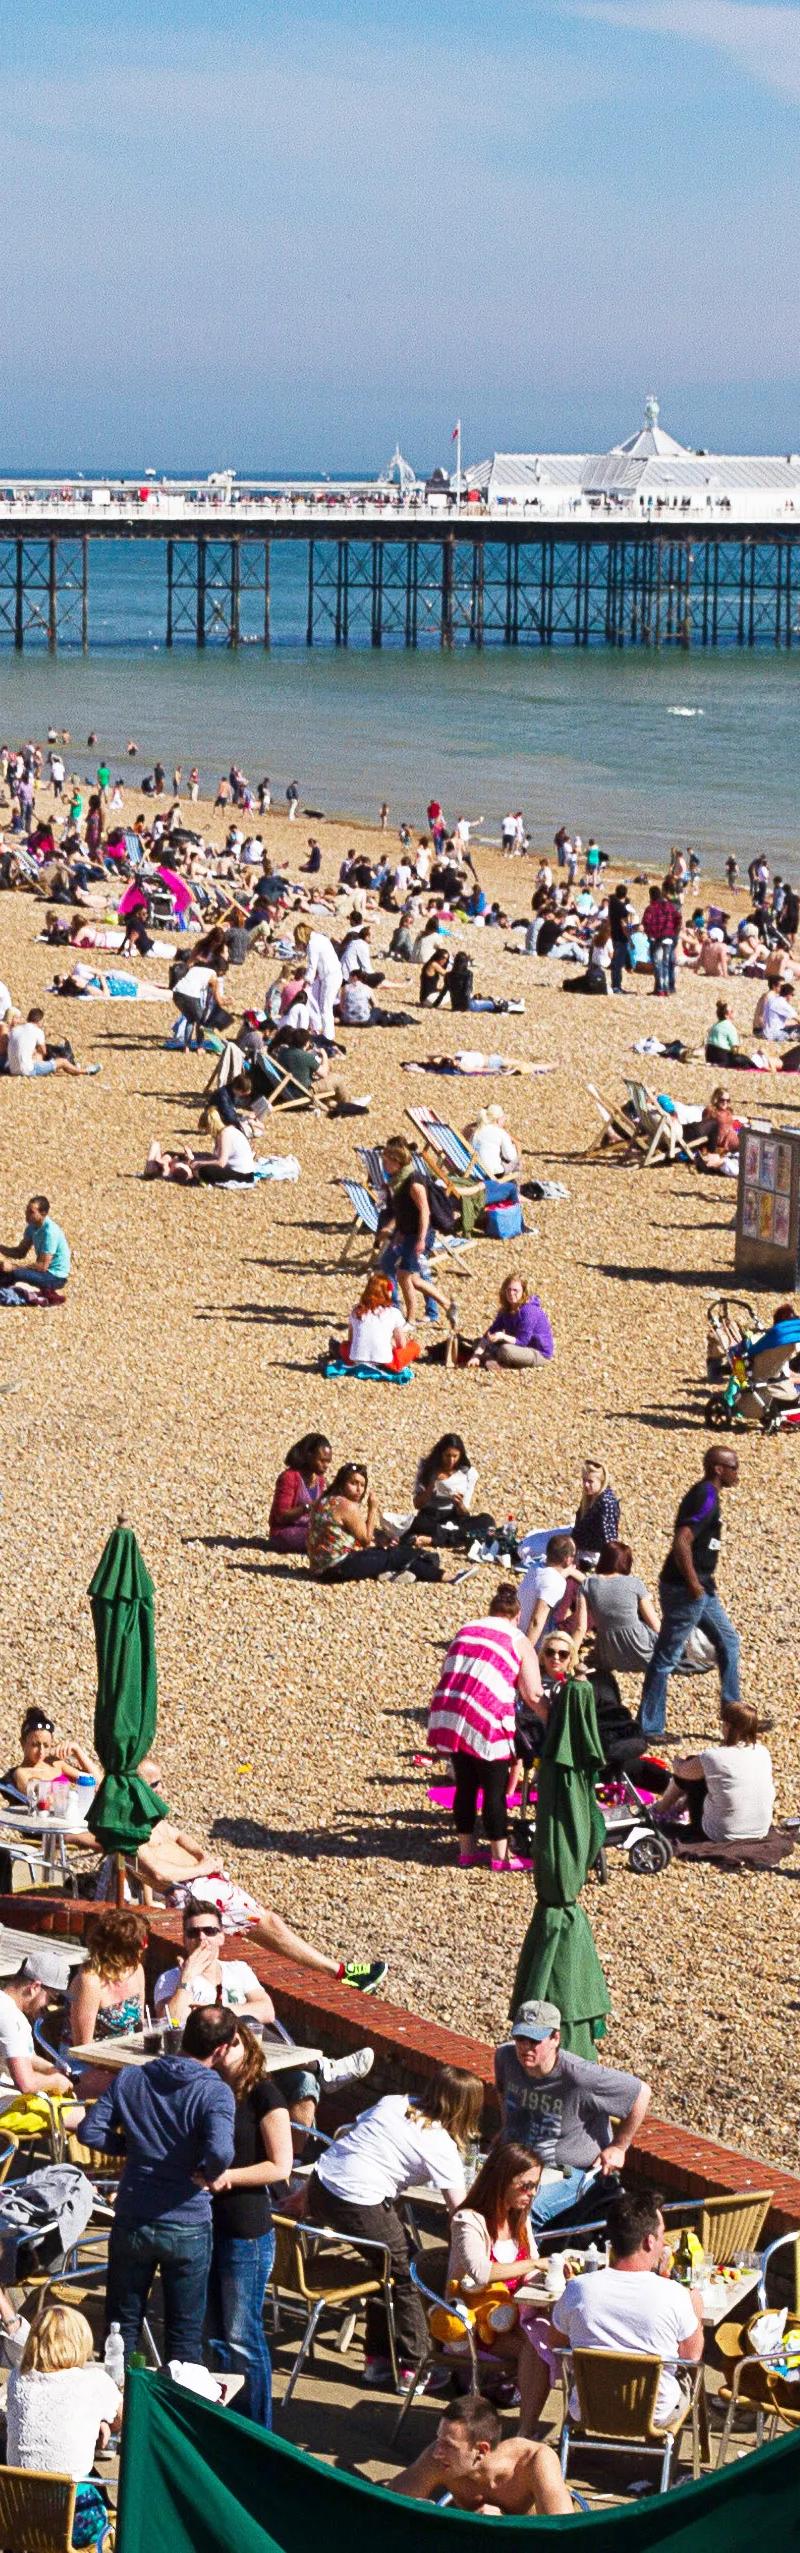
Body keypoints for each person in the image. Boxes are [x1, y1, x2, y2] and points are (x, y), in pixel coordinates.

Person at [305, 2066, 483, 2386]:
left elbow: (350, 2134)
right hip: (357, 2201)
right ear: (467, 2109)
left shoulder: (393, 2102)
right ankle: (415, 2365)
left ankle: (379, 2358)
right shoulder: (439, 2142)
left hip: (321, 2183)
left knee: (384, 2266)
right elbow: (460, 2211)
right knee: (406, 2271)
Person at [83, 2003, 237, 2364]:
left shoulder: (132, 2078)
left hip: (134, 2214)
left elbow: (91, 2130)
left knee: (121, 2330)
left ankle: (120, 2410)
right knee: (183, 2337)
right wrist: (206, 2171)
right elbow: (221, 2151)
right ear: (221, 2049)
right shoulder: (215, 2093)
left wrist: (128, 2148)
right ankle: (171, 2413)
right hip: (187, 2223)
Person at [551, 2188, 703, 2428]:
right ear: (649, 2241)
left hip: (588, 2408)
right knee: (690, 2380)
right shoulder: (675, 2294)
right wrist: (695, 2308)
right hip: (654, 2414)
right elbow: (691, 2357)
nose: (665, 2243)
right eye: (662, 2235)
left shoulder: (579, 2289)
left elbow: (557, 2343)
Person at [495, 1999, 651, 2231]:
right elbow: (502, 2092)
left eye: (534, 2040)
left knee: (523, 2211)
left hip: (567, 2172)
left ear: (555, 2038)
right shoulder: (505, 2057)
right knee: (471, 2198)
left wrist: (619, 2146)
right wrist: (506, 2129)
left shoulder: (580, 2077)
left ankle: (519, 2265)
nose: (525, 2047)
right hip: (517, 2161)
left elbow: (641, 2093)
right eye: (520, 2039)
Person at [206, 2021, 293, 2426]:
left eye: (230, 2045)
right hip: (206, 2224)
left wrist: (229, 2177)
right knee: (214, 2336)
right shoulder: (210, 2087)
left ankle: (259, 2429)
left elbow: (281, 2166)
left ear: (245, 2044)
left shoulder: (265, 2094)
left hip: (246, 2230)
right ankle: (226, 2422)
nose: (223, 2053)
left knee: (243, 2336)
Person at [427, 1583, 543, 1870]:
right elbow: (532, 1694)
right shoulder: (517, 1638)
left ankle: (466, 1851)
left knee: (465, 1785)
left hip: (451, 1712)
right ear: (517, 1617)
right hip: (486, 1714)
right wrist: (550, 1717)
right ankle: (499, 1856)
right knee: (494, 1788)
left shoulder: (466, 1630)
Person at [444, 2141, 554, 2430]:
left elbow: (531, 2267)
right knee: (538, 2348)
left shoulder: (520, 2218)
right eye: (525, 2186)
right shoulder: (468, 2221)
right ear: (502, 2180)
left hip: (516, 2315)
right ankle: (526, 2430)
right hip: (477, 2323)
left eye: (535, 2187)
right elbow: (480, 2272)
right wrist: (533, 2266)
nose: (531, 2195)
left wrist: (549, 2278)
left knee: (559, 2337)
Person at [637, 1446, 741, 1741]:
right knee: (667, 1656)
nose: (737, 1472)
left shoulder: (708, 1495)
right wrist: (694, 1584)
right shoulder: (705, 1496)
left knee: (729, 1642)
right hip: (686, 1589)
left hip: (702, 1588)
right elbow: (682, 1541)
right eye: (733, 1467)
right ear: (718, 1469)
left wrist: (701, 1585)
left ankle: (735, 1717)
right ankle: (650, 1727)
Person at [7, 2305, 121, 2527]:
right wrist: (102, 2422)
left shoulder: (17, 2379)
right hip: (73, 2518)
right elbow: (122, 2419)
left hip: (20, 2516)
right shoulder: (94, 2382)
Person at [391, 2393, 573, 2514]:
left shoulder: (534, 2460)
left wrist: (504, 2525)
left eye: (449, 2445)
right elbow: (388, 2504)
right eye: (439, 2439)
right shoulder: (439, 2457)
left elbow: (563, 2534)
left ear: (481, 2450)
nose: (438, 2452)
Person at [656, 1700, 775, 1844]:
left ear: (728, 1726)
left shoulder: (714, 1756)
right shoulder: (763, 1752)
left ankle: (660, 1810)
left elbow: (682, 1771)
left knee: (692, 1769)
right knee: (709, 1774)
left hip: (720, 1832)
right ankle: (678, 1808)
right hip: (760, 1829)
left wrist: (677, 1762)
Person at [308, 1462, 440, 1584]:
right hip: (336, 1568)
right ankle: (439, 1573)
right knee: (392, 1556)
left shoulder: (323, 1500)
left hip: (317, 1567)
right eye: (353, 1483)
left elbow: (345, 1536)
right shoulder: (347, 1506)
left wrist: (378, 1541)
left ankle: (404, 1570)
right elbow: (365, 1540)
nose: (359, 1489)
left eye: (362, 1485)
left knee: (383, 1552)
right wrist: (373, 1508)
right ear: (342, 1483)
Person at [0, 1950, 84, 2137]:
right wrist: (54, 2081)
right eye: (51, 1998)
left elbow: (24, 2055)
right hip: (3, 2106)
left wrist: (51, 2069)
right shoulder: (10, 2019)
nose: (48, 2007)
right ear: (34, 1987)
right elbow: (27, 2084)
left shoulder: (5, 2006)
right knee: (88, 2119)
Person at [66, 1909, 148, 2095]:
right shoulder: (89, 1981)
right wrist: (121, 2066)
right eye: (141, 1942)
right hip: (85, 2066)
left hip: (126, 2060)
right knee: (139, 2091)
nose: (145, 1947)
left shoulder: (136, 1971)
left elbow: (139, 2027)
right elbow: (83, 2049)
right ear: (119, 1949)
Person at [377, 1136, 457, 1326]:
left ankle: (410, 1320)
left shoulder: (413, 1182)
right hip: (407, 1233)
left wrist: (421, 1239)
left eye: (386, 1161)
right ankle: (447, 1304)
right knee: (410, 1276)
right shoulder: (398, 1181)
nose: (384, 1165)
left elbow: (424, 1212)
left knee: (403, 1275)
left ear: (397, 1162)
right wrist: (397, 1231)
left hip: (421, 1234)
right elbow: (406, 1210)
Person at [404, 1433, 495, 1551]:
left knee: (487, 1521)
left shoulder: (468, 1473)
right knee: (415, 1523)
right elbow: (417, 1504)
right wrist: (431, 1485)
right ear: (440, 1454)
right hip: (430, 1516)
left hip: (453, 1517)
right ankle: (455, 1538)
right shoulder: (427, 1469)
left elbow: (465, 1512)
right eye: (448, 1456)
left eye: (455, 1456)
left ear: (460, 1456)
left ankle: (434, 1539)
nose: (451, 1461)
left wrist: (459, 1504)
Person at [586, 1542, 660, 1676]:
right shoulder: (634, 1583)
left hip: (607, 1653)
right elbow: (654, 1624)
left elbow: (580, 1627)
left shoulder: (588, 1584)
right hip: (640, 1649)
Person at [1, 1708, 96, 1802]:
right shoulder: (22, 1773)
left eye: (46, 1745)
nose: (41, 1751)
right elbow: (39, 1801)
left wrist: (77, 1750)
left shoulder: (56, 1765)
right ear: (22, 1743)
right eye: (35, 1745)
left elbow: (98, 1783)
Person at [467, 1275, 554, 1374]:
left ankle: (492, 1358)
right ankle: (492, 1358)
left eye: (515, 1290)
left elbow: (522, 1341)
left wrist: (502, 1336)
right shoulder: (506, 1310)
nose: (511, 1293)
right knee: (478, 1342)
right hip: (517, 1347)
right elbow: (489, 1334)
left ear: (523, 1292)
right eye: (508, 1290)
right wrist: (476, 1356)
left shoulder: (529, 1311)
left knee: (505, 1350)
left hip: (537, 1352)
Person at [518, 1533, 587, 1648]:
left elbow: (580, 1577)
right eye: (574, 1556)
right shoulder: (553, 1583)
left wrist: (570, 1572)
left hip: (517, 1630)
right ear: (568, 1559)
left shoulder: (536, 1567)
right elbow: (536, 1621)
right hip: (537, 1643)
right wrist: (525, 1654)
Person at [268, 1433, 332, 1552]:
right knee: (329, 1539)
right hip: (284, 1532)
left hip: (307, 1528)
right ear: (309, 1456)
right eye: (322, 1460)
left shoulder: (320, 1481)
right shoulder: (289, 1477)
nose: (326, 1465)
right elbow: (280, 1516)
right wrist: (307, 1507)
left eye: (328, 1461)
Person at [0, 1194, 71, 1297]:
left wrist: (13, 1267)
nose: (26, 1214)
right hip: (42, 1272)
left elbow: (42, 1266)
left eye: (31, 1212)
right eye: (27, 1210)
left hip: (54, 1277)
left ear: (43, 1213)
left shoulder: (50, 1232)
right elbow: (20, 1252)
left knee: (16, 1273)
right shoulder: (32, 1227)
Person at [143, 1123, 256, 1185]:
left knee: (203, 1170)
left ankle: (160, 1167)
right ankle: (161, 1165)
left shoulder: (224, 1134)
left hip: (238, 1173)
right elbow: (216, 1158)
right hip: (176, 1166)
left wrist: (196, 1161)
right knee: (165, 1151)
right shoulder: (227, 1132)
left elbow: (221, 1162)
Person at [345, 1272, 414, 1369]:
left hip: (356, 1359)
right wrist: (392, 1344)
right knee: (413, 1347)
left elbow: (351, 1340)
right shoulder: (393, 1312)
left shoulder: (356, 1311)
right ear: (386, 1292)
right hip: (384, 1362)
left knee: (344, 1346)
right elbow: (401, 1344)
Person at [294, 921, 342, 1045]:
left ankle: (328, 1037)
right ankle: (322, 1030)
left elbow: (312, 966)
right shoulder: (321, 938)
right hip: (333, 973)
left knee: (325, 1008)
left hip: (329, 976)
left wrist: (307, 982)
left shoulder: (312, 944)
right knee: (323, 1004)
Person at [6, 1009, 93, 1078]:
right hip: (27, 1070)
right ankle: (85, 1071)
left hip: (12, 1069)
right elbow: (43, 1052)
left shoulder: (16, 1030)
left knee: (34, 1053)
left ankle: (54, 1068)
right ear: (39, 1021)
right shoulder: (37, 1031)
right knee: (63, 1062)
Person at [574, 1458, 620, 1568]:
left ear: (602, 1481)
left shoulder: (606, 1503)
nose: (585, 1485)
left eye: (590, 1481)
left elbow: (609, 1535)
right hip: (582, 1544)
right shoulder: (590, 1498)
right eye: (584, 1480)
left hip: (593, 1552)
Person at [642, 881, 681, 996]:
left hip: (658, 938)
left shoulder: (651, 908)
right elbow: (678, 918)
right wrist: (673, 930)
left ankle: (660, 989)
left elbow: (646, 922)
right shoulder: (669, 906)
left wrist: (650, 934)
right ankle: (667, 988)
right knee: (665, 963)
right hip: (669, 937)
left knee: (658, 964)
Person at [463, 1105, 520, 1180]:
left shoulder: (477, 1129)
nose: (504, 1122)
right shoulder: (501, 1133)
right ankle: (515, 1184)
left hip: (472, 1169)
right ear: (498, 1120)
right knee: (517, 1161)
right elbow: (511, 1157)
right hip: (491, 1174)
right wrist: (518, 1149)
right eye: (504, 1119)